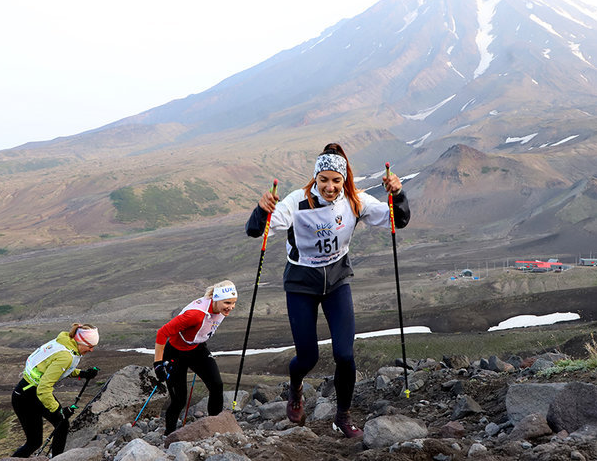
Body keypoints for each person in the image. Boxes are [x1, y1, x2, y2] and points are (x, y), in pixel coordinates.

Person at [245, 143, 410, 438]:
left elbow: (398, 219)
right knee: (307, 358)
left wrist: (397, 194)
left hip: (336, 280)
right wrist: (261, 209)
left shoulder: (355, 200)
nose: (330, 187)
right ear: (315, 178)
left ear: (344, 180)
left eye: (336, 180)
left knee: (344, 354)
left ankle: (342, 417)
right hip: (301, 283)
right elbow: (256, 230)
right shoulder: (297, 202)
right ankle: (296, 387)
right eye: (324, 180)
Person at [153, 280, 238, 435]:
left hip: (197, 348)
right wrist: (158, 363)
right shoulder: (195, 315)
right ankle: (169, 435)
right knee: (179, 400)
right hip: (175, 353)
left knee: (217, 385)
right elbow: (162, 333)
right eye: (227, 303)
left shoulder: (220, 308)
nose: (231, 307)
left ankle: (215, 428)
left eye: (233, 303)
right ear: (216, 299)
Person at [10, 323, 100, 457]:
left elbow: (57, 369)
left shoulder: (65, 343)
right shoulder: (66, 355)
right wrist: (58, 410)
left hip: (25, 392)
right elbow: (44, 388)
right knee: (41, 437)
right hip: (28, 397)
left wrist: (82, 373)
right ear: (81, 342)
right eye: (90, 346)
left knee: (42, 437)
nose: (91, 350)